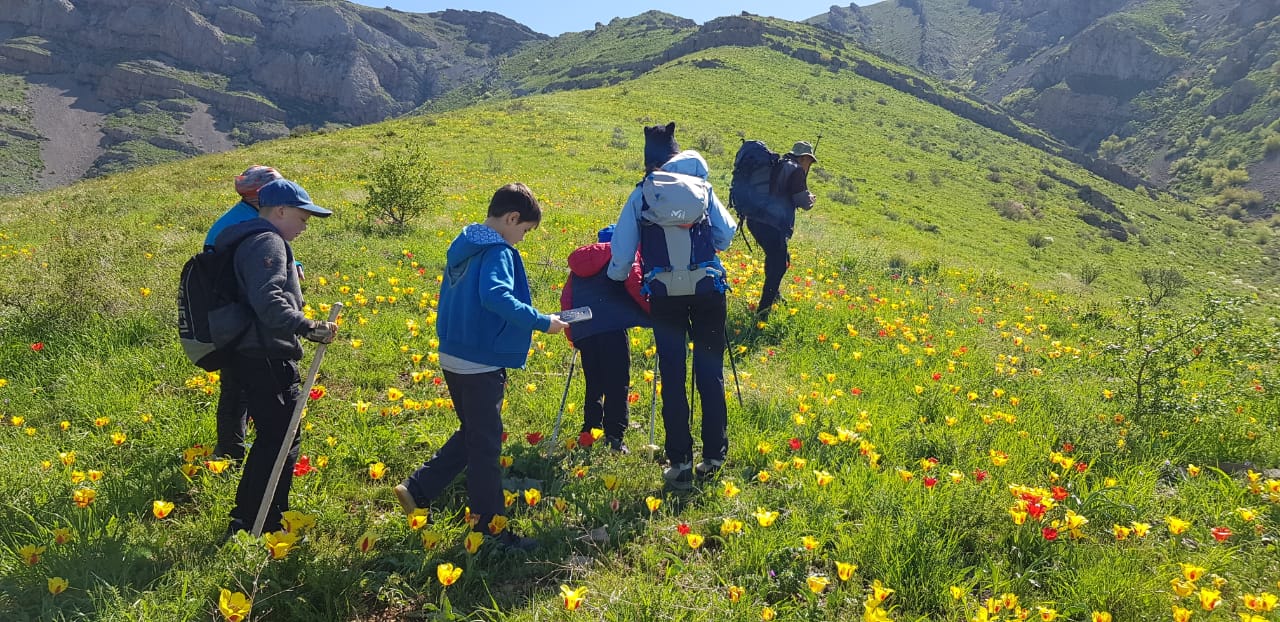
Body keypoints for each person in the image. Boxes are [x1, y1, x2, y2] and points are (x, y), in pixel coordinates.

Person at [394, 183, 568, 550]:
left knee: (474, 431)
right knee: (486, 446)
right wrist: (542, 321)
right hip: (480, 360)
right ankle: (491, 532)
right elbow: (496, 295)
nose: (522, 239)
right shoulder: (498, 251)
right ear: (511, 218)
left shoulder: (465, 245)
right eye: (524, 231)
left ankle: (418, 488)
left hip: (453, 354)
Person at [607, 122, 736, 490]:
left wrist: (617, 279)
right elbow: (725, 238)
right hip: (709, 290)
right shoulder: (704, 188)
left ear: (651, 163)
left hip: (664, 295)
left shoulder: (642, 194)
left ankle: (679, 461)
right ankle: (714, 457)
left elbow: (620, 255)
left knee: (673, 376)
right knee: (709, 372)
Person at [214, 178, 337, 538]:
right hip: (266, 353)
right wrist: (306, 325)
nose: (305, 225)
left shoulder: (246, 237)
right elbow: (267, 301)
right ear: (280, 211)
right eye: (302, 217)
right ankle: (258, 521)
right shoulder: (268, 241)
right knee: (280, 437)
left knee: (275, 435)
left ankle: (255, 516)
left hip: (250, 350)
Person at [205, 165, 283, 460]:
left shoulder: (248, 218)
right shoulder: (243, 224)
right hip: (237, 317)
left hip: (237, 315)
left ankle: (232, 446)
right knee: (236, 386)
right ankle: (229, 451)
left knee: (238, 384)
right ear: (259, 196)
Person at [559, 224, 650, 453]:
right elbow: (635, 287)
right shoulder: (623, 256)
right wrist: (653, 314)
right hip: (613, 329)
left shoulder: (580, 265)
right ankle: (615, 437)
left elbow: (566, 299)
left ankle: (590, 431)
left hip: (585, 331)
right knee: (617, 384)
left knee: (594, 382)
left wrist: (572, 334)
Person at [746, 141, 816, 320]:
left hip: (754, 220)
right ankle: (763, 313)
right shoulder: (796, 170)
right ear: (804, 158)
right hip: (772, 225)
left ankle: (775, 296)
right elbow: (802, 201)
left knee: (781, 258)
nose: (809, 165)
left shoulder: (778, 164)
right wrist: (811, 199)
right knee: (778, 265)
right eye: (809, 161)